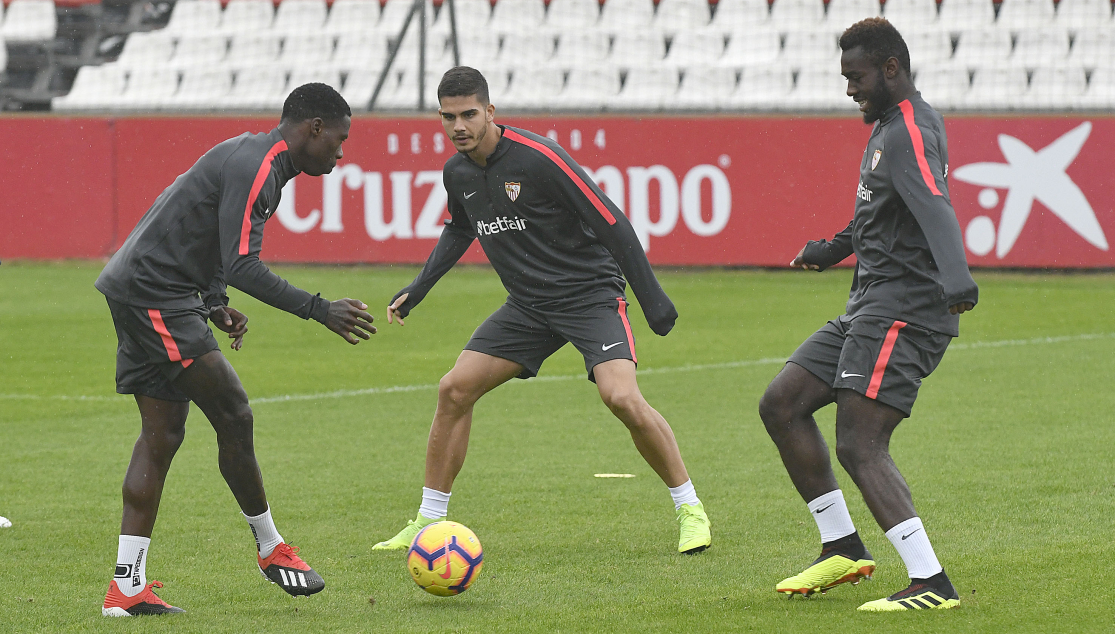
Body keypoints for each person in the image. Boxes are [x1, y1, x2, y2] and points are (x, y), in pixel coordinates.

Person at [371, 67, 712, 555]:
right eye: (449, 117)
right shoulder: (458, 171)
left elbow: (611, 221)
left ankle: (690, 508)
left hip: (589, 296)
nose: (459, 126)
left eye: (469, 114)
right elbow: (459, 227)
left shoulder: (540, 158)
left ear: (490, 111)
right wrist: (420, 287)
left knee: (620, 397)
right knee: (454, 389)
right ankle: (427, 521)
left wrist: (651, 297)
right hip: (528, 307)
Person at [95, 83, 376, 617]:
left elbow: (210, 241)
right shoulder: (259, 164)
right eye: (338, 140)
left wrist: (215, 302)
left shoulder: (256, 158)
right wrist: (320, 309)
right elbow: (245, 262)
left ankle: (126, 589)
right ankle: (271, 549)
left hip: (146, 290)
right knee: (233, 411)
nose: (341, 153)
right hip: (156, 294)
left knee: (162, 435)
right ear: (313, 128)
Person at [758, 19, 977, 612]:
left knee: (860, 442)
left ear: (889, 69)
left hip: (906, 308)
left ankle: (931, 583)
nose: (848, 88)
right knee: (782, 404)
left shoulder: (908, 130)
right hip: (868, 305)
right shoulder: (887, 128)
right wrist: (833, 248)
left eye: (855, 77)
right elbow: (882, 215)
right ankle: (843, 546)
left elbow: (934, 204)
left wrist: (957, 277)